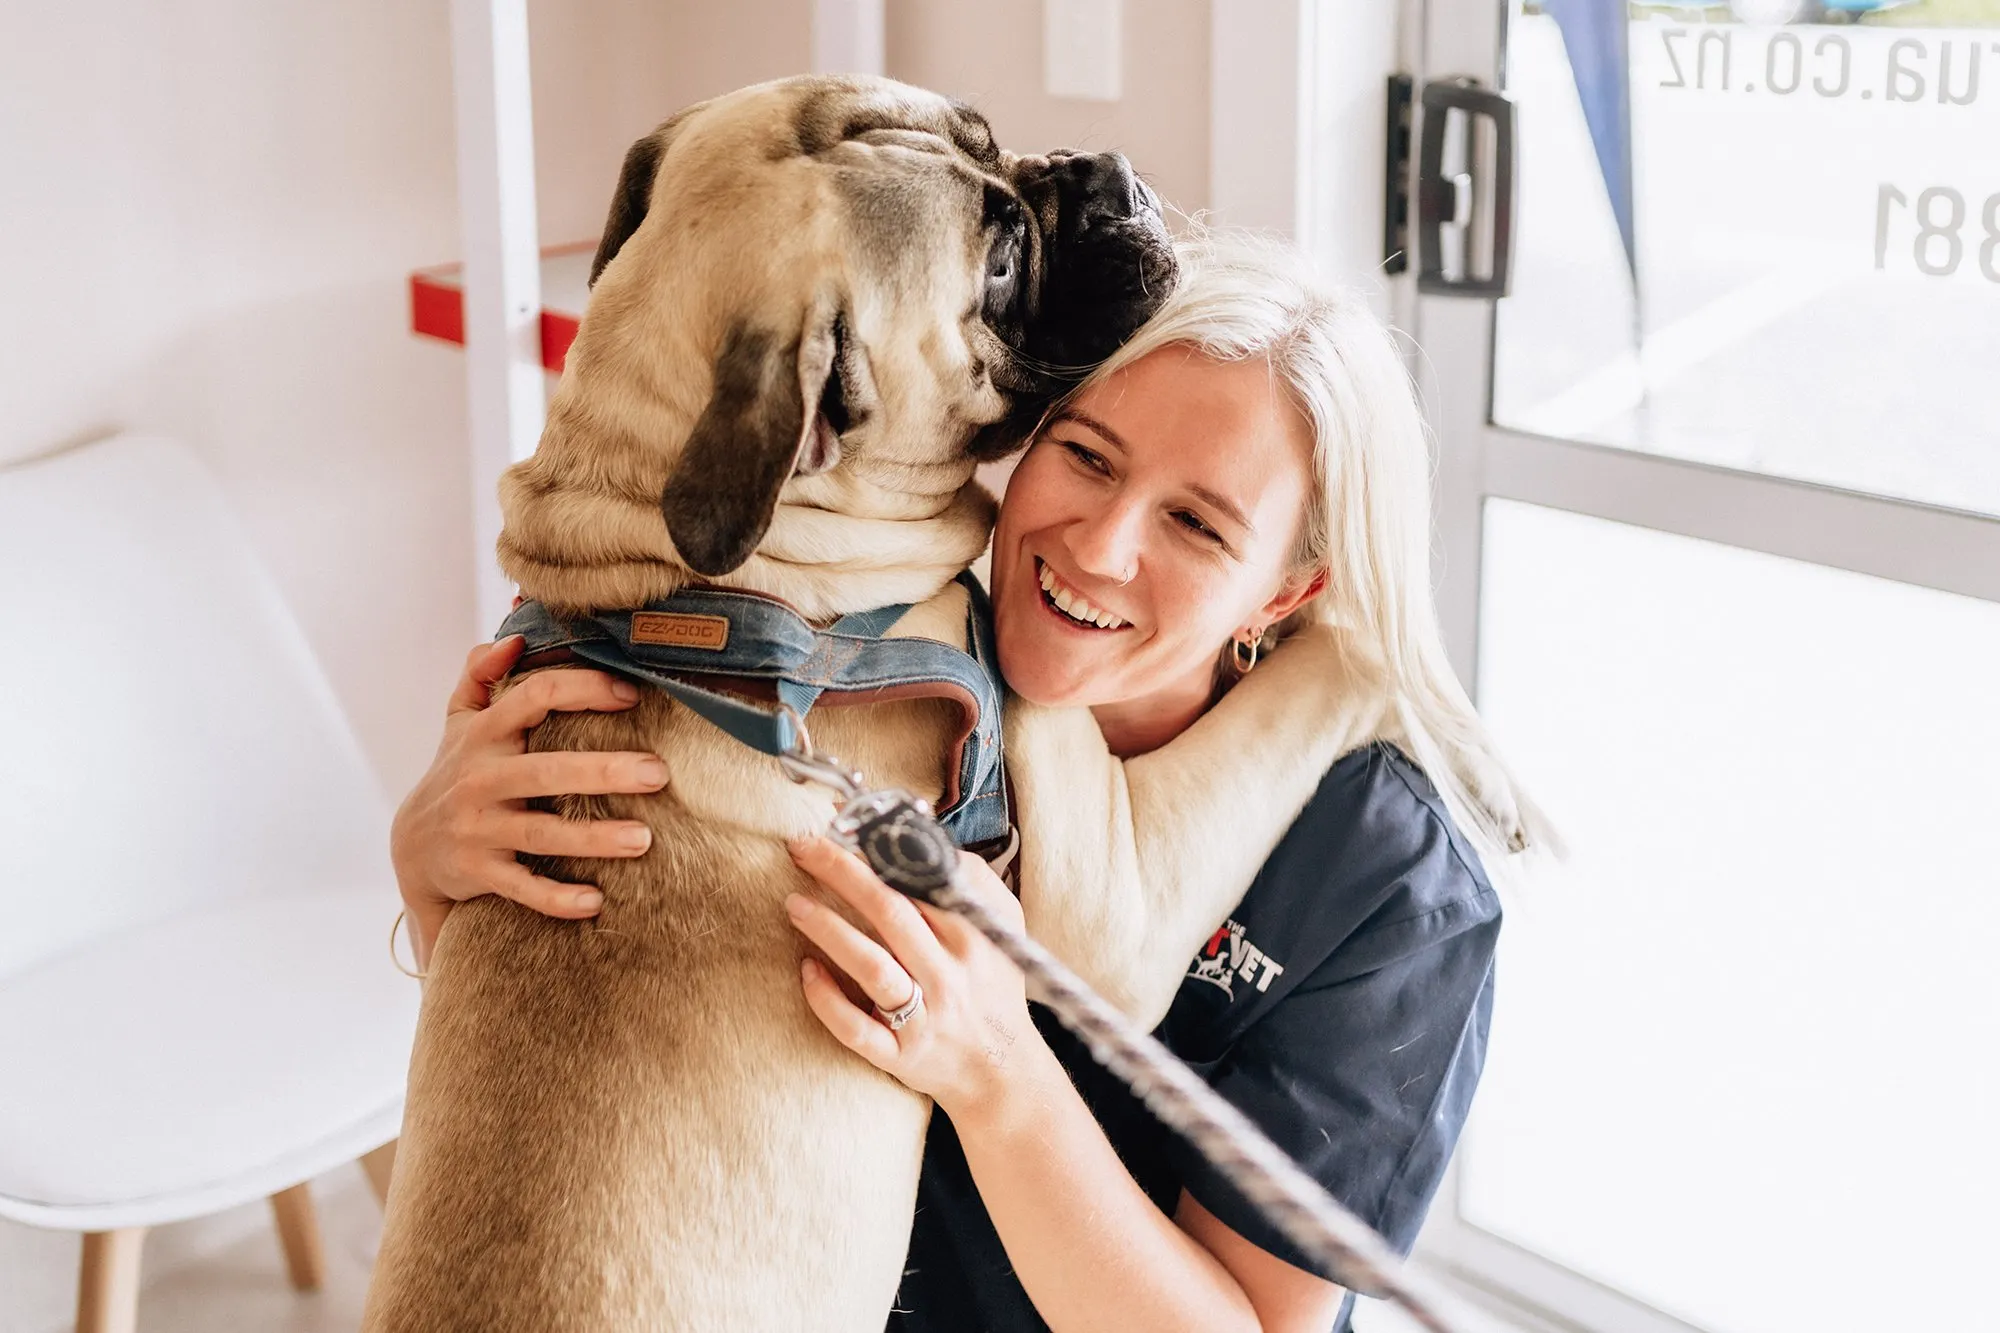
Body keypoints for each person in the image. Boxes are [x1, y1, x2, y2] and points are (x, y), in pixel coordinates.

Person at [390, 232, 1547, 1333]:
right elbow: (647, 1058)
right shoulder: (867, 668)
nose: (1097, 547)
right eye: (1085, 455)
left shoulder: (1387, 892)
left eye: (1195, 524)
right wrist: (440, 884)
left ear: (1285, 595)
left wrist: (997, 1073)